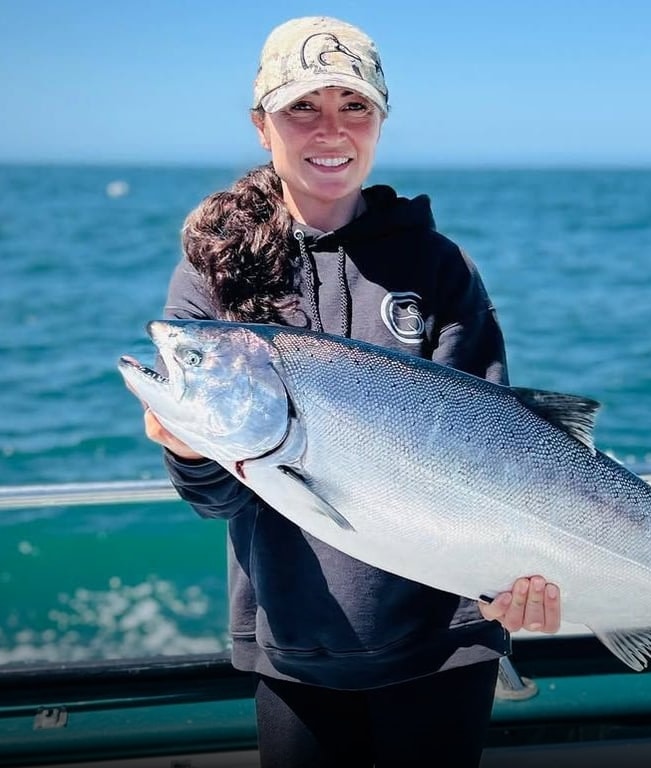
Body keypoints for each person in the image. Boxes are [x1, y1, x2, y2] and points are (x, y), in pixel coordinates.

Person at [131, 15, 560, 767]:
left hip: (445, 639)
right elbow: (218, 499)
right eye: (303, 106)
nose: (331, 128)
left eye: (354, 105)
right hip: (296, 646)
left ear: (381, 121)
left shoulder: (436, 266)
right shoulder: (215, 268)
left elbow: (500, 447)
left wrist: (509, 579)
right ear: (262, 125)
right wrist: (190, 451)